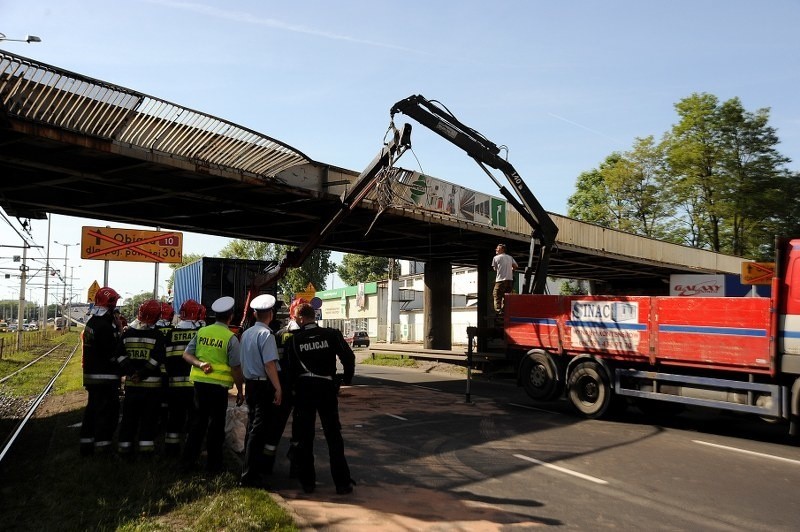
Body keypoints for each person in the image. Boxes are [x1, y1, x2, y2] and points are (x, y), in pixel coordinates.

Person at [285, 303, 356, 495]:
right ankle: (342, 483)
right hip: (327, 390)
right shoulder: (331, 335)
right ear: (313, 316)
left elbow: (289, 372)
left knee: (305, 437)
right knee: (333, 436)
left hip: (304, 391)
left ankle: (308, 482)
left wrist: (291, 393)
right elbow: (348, 358)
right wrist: (345, 379)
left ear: (300, 319)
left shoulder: (293, 341)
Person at [181, 296, 244, 474]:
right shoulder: (230, 338)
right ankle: (214, 467)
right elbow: (236, 367)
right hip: (218, 389)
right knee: (216, 428)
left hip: (200, 386)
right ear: (230, 317)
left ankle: (187, 463)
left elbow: (186, 355)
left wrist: (200, 364)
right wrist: (240, 390)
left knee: (197, 425)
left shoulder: (201, 332)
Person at [238, 294, 283, 487]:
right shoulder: (267, 335)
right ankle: (250, 475)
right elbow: (270, 365)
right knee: (259, 430)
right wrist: (278, 388)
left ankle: (246, 468)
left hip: (251, 385)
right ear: (270, 314)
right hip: (263, 384)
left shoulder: (247, 333)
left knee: (253, 427)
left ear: (255, 314)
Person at [115, 299, 167, 457]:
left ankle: (124, 450)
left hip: (132, 385)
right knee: (148, 419)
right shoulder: (157, 334)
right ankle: (146, 452)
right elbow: (157, 358)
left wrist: (131, 373)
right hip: (151, 388)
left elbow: (119, 356)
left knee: (129, 419)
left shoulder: (127, 333)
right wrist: (143, 373)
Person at [79, 286, 123, 456]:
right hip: (105, 377)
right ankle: (103, 447)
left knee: (92, 410)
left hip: (92, 376)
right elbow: (114, 350)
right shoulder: (105, 326)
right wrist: (119, 330)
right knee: (109, 412)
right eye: (115, 302)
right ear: (110, 303)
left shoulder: (92, 322)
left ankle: (87, 444)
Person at [162, 299, 206, 456]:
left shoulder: (170, 334)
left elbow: (164, 360)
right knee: (194, 419)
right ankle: (192, 450)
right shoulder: (200, 334)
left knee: (174, 418)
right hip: (195, 386)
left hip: (174, 386)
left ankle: (171, 451)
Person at [491, 243, 518, 315]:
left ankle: (498, 310)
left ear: (502, 249)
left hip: (500, 280)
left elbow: (495, 269)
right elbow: (515, 266)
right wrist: (511, 271)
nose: (496, 249)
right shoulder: (510, 257)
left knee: (496, 294)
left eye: (497, 248)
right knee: (506, 296)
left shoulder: (496, 258)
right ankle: (505, 309)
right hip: (509, 280)